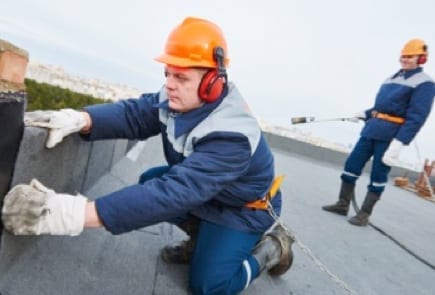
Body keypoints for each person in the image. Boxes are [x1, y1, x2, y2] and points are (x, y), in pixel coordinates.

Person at [1, 17, 294, 294]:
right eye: (167, 73)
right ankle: (203, 239)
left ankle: (270, 249)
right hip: (209, 195)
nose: (169, 83)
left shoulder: (233, 136)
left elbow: (175, 193)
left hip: (243, 209)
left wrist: (69, 214)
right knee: (149, 180)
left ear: (211, 83)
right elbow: (135, 115)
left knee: (209, 285)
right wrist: (80, 119)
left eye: (180, 76)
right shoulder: (178, 97)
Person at [322, 38, 435, 226]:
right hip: (371, 130)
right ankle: (343, 204)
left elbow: (417, 117)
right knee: (351, 166)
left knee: (378, 174)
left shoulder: (425, 83)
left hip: (391, 136)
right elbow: (381, 107)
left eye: (410, 56)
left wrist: (399, 143)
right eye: (403, 56)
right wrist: (364, 114)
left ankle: (364, 214)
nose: (405, 60)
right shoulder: (391, 78)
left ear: (421, 58)